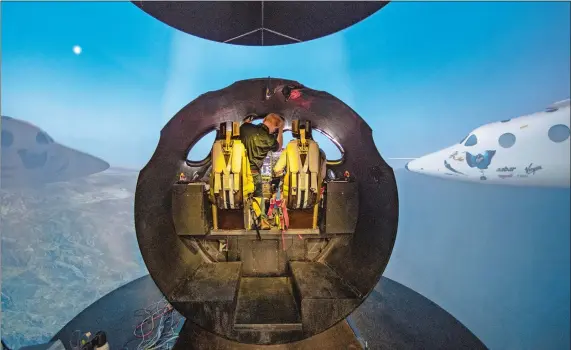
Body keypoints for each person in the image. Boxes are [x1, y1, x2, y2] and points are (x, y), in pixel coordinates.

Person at [240, 113, 284, 229]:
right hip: (254, 173)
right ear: (275, 127)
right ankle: (262, 220)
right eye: (276, 129)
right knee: (258, 195)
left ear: (264, 120)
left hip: (239, 174)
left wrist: (247, 122)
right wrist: (280, 131)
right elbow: (279, 147)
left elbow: (243, 126)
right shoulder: (269, 139)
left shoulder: (245, 128)